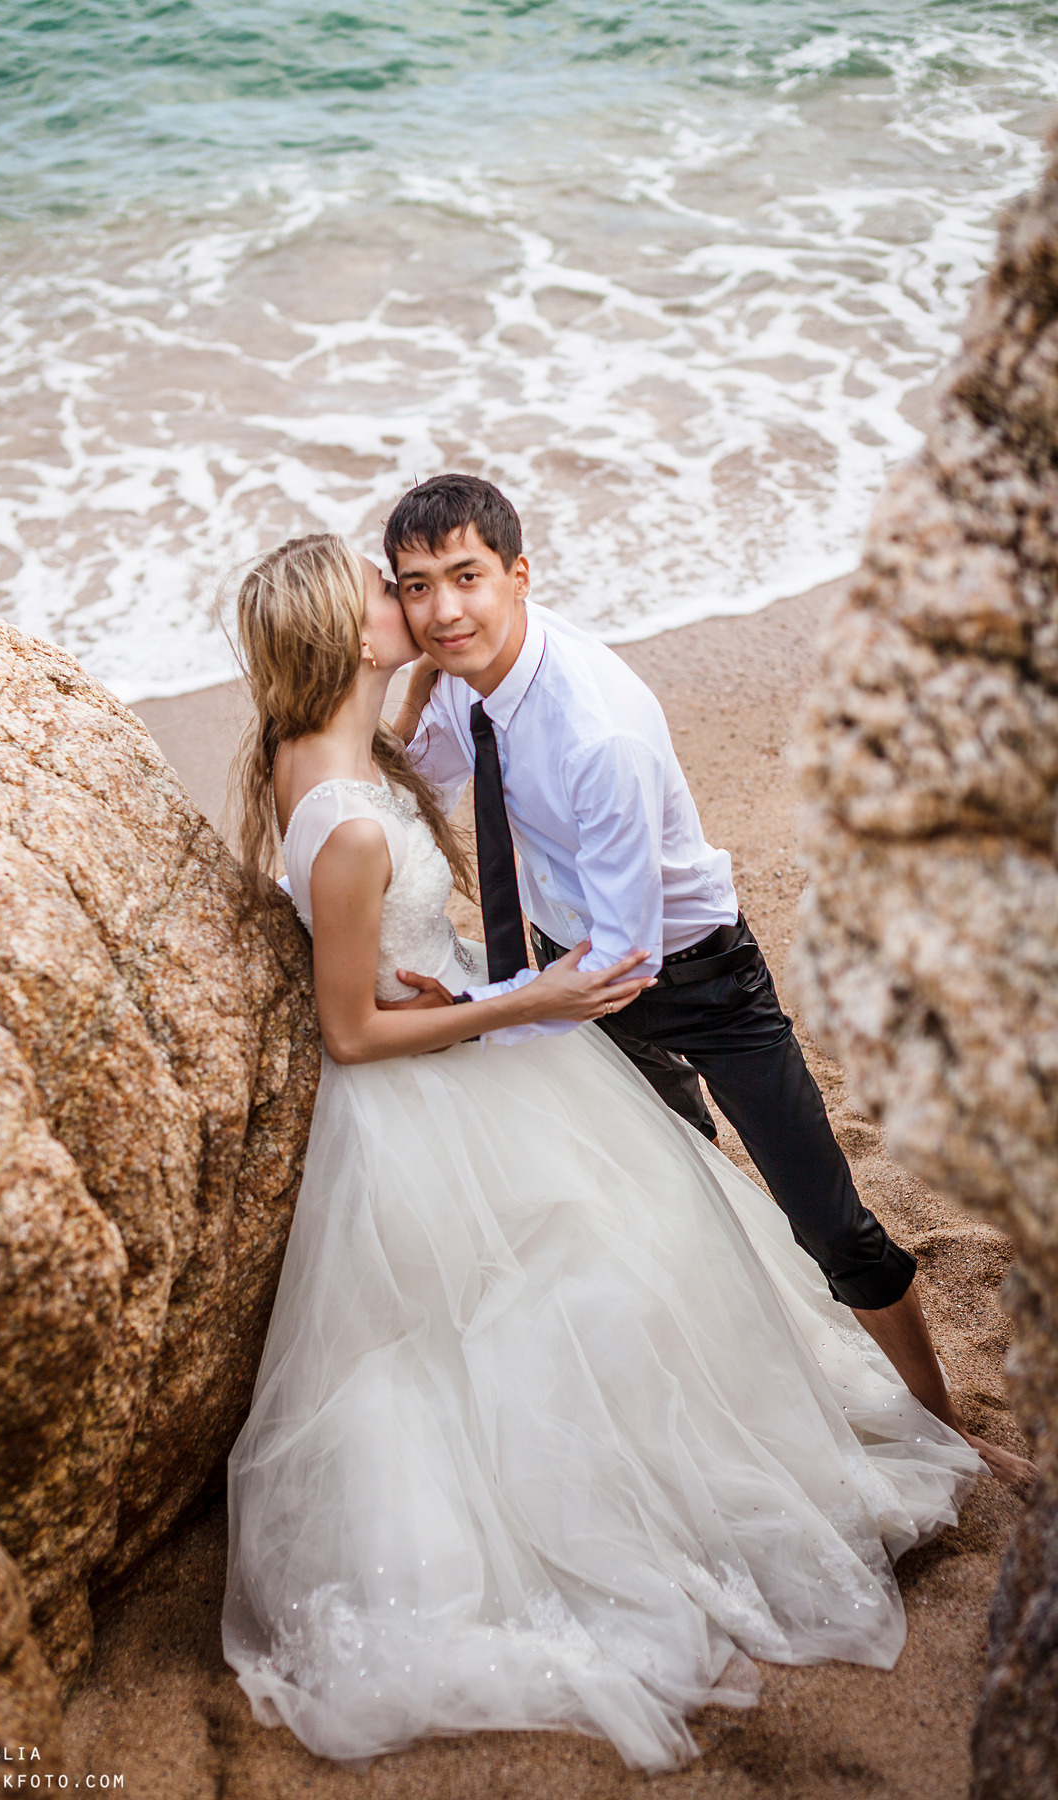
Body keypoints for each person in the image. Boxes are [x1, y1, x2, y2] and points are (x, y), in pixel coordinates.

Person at [222, 530, 983, 1773]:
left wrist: (452, 983)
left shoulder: (324, 753)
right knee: (573, 1279)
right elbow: (350, 1032)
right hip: (442, 1069)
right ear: (347, 632)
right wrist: (518, 1005)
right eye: (392, 591)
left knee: (619, 1242)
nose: (414, 601)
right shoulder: (351, 813)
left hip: (479, 1019)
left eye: (436, 581)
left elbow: (362, 952)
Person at [387, 472, 1033, 1498]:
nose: (443, 609)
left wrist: (478, 1017)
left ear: (518, 574)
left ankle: (954, 1433)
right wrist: (413, 677)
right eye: (415, 588)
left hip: (689, 976)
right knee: (671, 1199)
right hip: (568, 967)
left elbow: (626, 960)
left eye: (465, 578)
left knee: (827, 1217)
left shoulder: (592, 729)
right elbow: (425, 778)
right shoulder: (464, 663)